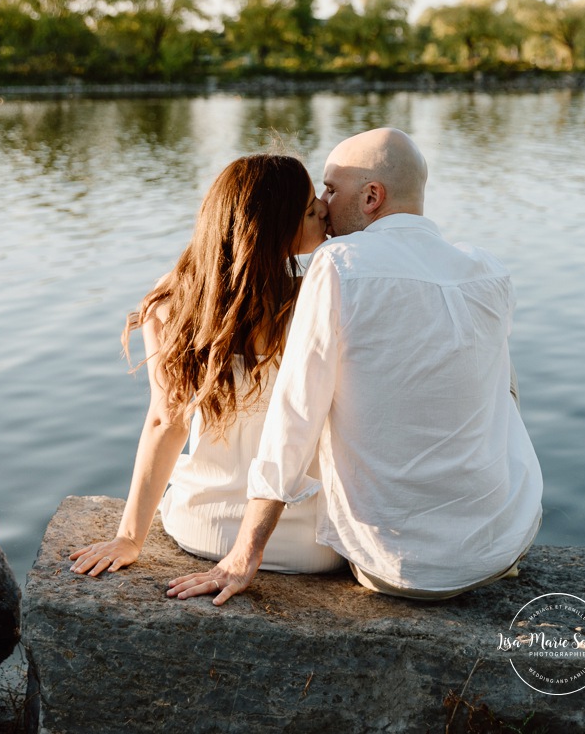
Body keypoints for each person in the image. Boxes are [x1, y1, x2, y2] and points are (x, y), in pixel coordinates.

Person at [166, 127, 543, 604]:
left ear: (371, 196)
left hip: (396, 567)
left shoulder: (338, 264)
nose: (322, 202)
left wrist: (245, 554)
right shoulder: (488, 269)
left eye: (330, 187)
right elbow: (506, 397)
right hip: (504, 543)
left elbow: (295, 419)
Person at [70, 154, 343, 578]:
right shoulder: (320, 299)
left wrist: (129, 538)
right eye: (310, 210)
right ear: (272, 231)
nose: (324, 209)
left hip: (202, 526)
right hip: (310, 544)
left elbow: (166, 422)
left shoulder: (171, 303)